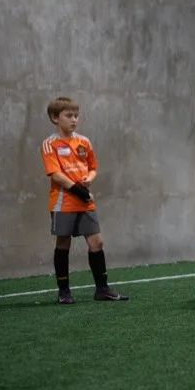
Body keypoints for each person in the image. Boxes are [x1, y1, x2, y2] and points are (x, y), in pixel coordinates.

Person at [41, 97, 128, 304]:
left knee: (97, 242)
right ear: (55, 118)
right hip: (63, 202)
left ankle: (102, 289)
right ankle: (64, 291)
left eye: (76, 116)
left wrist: (89, 178)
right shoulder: (49, 144)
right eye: (68, 116)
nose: (74, 120)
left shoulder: (84, 142)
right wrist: (78, 189)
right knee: (63, 243)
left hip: (85, 201)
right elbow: (55, 174)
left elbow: (93, 168)